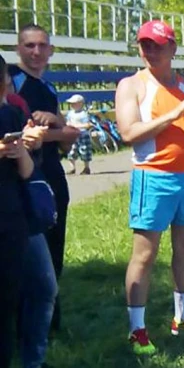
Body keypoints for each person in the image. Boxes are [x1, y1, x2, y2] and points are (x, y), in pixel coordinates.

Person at [114, 20, 184, 355]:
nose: (151, 52)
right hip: (152, 176)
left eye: (158, 45)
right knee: (145, 255)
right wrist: (174, 114)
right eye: (145, 45)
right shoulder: (132, 85)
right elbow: (129, 133)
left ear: (173, 48)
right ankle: (137, 329)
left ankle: (183, 316)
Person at [10, 24, 80, 333]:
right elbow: (22, 134)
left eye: (42, 45)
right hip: (20, 180)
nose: (36, 52)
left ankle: (50, 323)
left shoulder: (49, 88)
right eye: (29, 45)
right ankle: (26, 327)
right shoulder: (12, 80)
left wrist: (57, 123)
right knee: (25, 256)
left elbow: (67, 141)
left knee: (53, 250)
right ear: (18, 49)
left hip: (52, 178)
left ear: (51, 50)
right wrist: (62, 131)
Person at [0, 55, 37, 368]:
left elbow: (25, 172)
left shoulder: (10, 115)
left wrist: (20, 150)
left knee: (6, 303)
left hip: (10, 220)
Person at [64, 94, 93, 175]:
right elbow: (68, 122)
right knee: (71, 151)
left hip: (83, 134)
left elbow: (87, 125)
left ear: (80, 103)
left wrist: (76, 126)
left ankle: (86, 167)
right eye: (71, 103)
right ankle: (72, 167)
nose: (72, 105)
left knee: (85, 151)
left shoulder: (84, 114)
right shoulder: (70, 113)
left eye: (74, 103)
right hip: (73, 135)